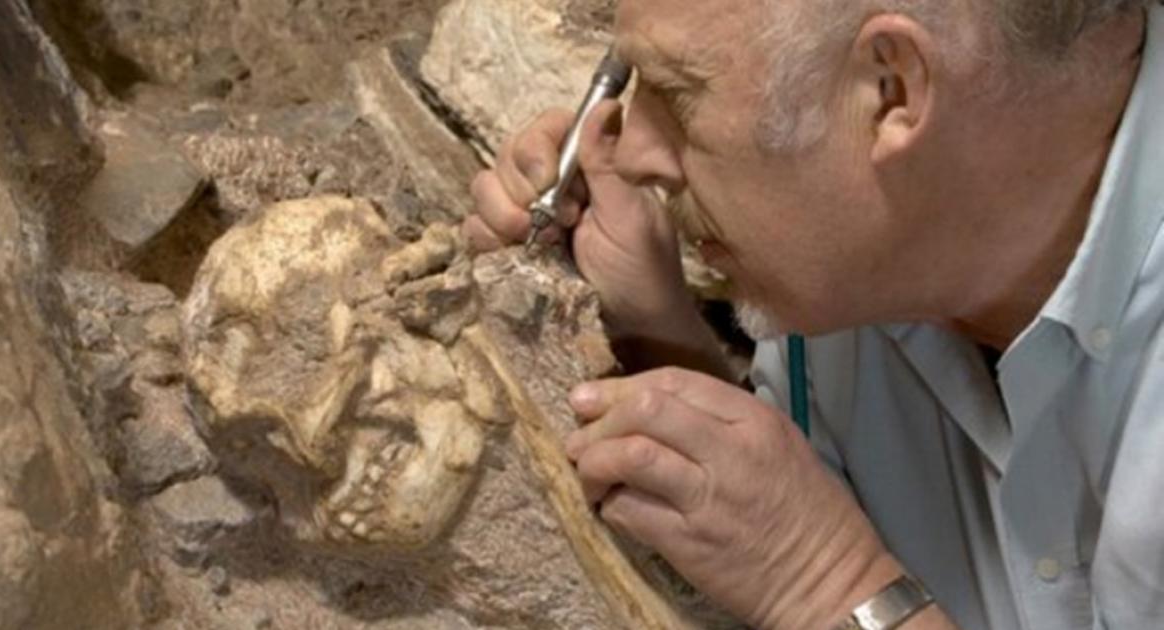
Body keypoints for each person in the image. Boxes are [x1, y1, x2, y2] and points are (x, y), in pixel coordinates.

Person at [467, 1, 1164, 628]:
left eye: (678, 96)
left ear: (891, 90)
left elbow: (811, 556)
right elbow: (779, 501)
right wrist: (651, 335)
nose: (633, 152)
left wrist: (827, 584)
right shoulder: (865, 266)